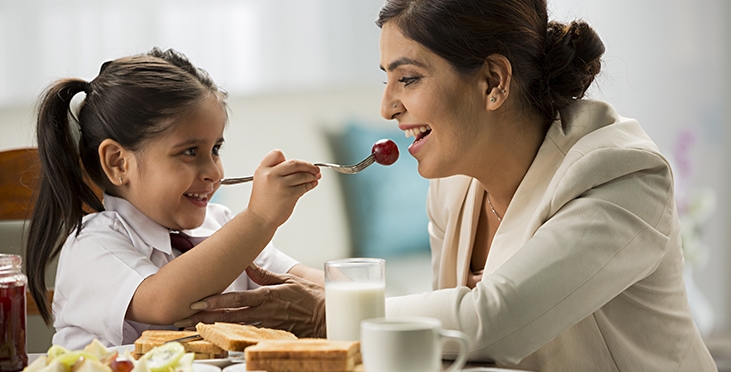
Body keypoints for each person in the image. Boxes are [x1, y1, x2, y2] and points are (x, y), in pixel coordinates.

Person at [175, 1, 718, 370]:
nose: (387, 107)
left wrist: (326, 311)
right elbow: (452, 349)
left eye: (407, 79)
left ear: (493, 81)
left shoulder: (621, 175)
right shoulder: (453, 188)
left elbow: (492, 322)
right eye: (385, 79)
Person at [25, 47, 324, 349]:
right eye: (190, 152)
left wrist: (355, 290)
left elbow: (305, 282)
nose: (213, 173)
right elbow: (163, 301)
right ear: (118, 163)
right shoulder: (92, 245)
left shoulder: (220, 224)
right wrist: (259, 218)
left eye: (215, 150)